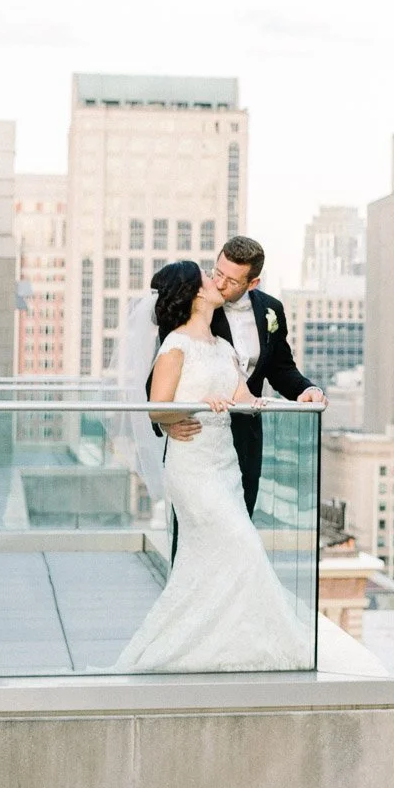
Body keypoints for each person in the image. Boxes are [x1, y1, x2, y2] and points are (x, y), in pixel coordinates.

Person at [113, 261, 308, 672]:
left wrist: (291, 399)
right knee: (244, 544)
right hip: (193, 467)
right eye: (208, 277)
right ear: (196, 293)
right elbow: (155, 409)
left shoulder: (223, 348)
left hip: (226, 467)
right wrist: (196, 408)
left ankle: (221, 645)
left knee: (206, 561)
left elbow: (243, 397)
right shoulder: (175, 347)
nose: (216, 281)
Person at [154, 235, 324, 518]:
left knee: (240, 527)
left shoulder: (271, 310)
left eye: (231, 281)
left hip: (245, 439)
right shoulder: (192, 305)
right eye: (217, 273)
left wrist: (306, 390)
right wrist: (166, 421)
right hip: (195, 436)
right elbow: (160, 373)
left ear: (253, 283)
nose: (219, 284)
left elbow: (281, 368)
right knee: (194, 531)